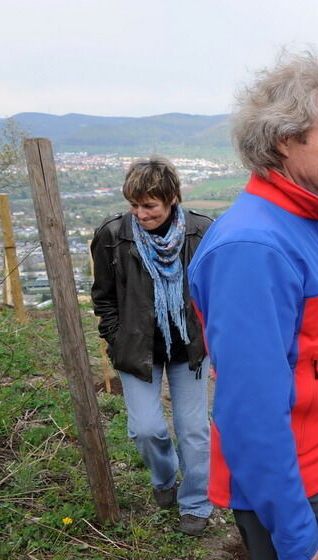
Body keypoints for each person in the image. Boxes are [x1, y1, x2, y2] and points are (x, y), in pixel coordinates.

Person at [187, 52, 318, 560]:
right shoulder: (254, 248)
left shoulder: (303, 221)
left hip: (315, 468)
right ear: (285, 140)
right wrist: (292, 530)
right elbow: (248, 410)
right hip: (285, 487)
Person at [91, 156, 213, 536]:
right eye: (134, 206)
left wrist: (211, 338)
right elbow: (104, 297)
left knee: (193, 430)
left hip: (187, 350)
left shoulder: (202, 231)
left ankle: (195, 503)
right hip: (136, 349)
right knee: (146, 429)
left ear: (171, 198)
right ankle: (165, 478)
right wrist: (117, 336)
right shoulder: (112, 236)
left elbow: (216, 291)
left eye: (149, 206)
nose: (140, 214)